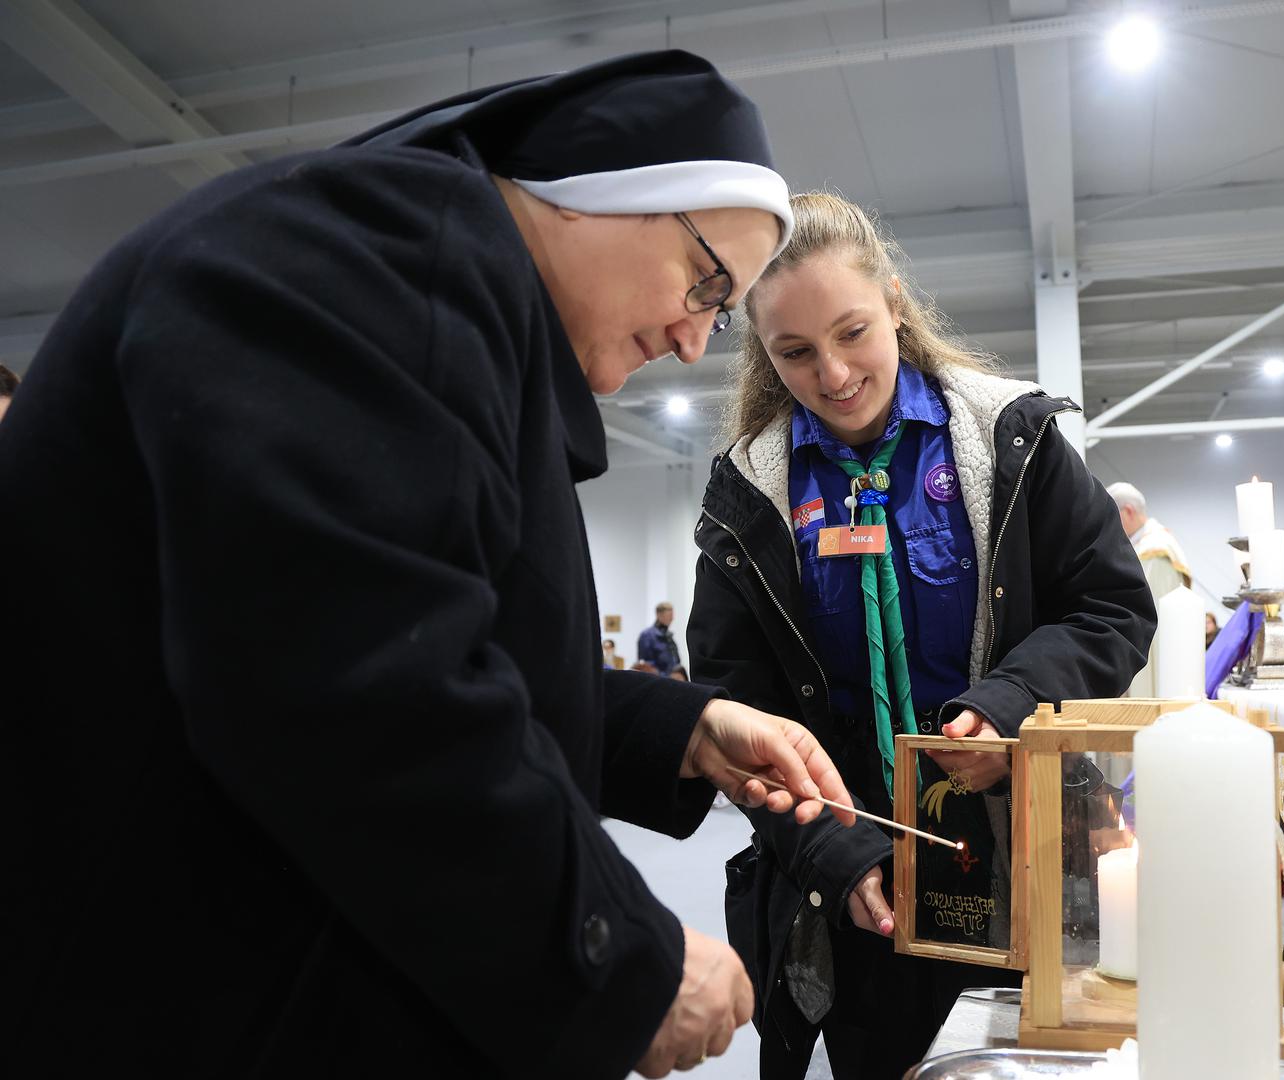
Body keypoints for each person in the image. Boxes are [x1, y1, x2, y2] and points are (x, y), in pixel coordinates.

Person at [0, 51, 863, 1080]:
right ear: (598, 191)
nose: (691, 340)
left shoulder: (450, 311)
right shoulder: (383, 257)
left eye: (718, 315)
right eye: (705, 280)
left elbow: (426, 638)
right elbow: (351, 690)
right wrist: (621, 961)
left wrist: (679, 731)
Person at [688, 192, 1155, 1079]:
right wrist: (833, 853)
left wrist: (1009, 704)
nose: (833, 374)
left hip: (1025, 859)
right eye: (795, 351)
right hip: (856, 882)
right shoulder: (748, 494)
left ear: (895, 303)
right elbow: (735, 706)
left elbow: (1112, 608)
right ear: (762, 352)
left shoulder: (1011, 437)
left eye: (853, 332)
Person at [1105, 482, 1190, 698]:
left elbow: (1145, 615)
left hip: (1153, 653)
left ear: (1128, 511)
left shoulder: (1155, 549)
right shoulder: (1143, 545)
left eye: (1112, 515)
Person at [638, 600, 683, 674]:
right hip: (658, 679)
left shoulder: (669, 636)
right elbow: (646, 665)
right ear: (659, 615)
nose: (672, 619)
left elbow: (675, 660)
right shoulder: (647, 635)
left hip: (672, 678)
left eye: (672, 616)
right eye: (669, 616)